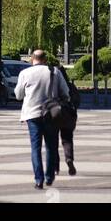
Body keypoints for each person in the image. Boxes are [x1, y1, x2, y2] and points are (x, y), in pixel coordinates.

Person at [14, 49, 70, 190]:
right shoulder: (55, 72)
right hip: (51, 114)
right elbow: (66, 93)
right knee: (51, 147)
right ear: (45, 59)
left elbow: (18, 95)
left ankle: (38, 179)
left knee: (35, 148)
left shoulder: (25, 73)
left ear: (32, 59)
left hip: (32, 115)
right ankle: (49, 177)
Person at [48, 61, 79, 177]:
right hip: (68, 116)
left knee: (53, 140)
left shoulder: (51, 86)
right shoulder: (70, 86)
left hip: (53, 114)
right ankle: (69, 159)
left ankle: (56, 166)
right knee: (67, 139)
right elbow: (77, 101)